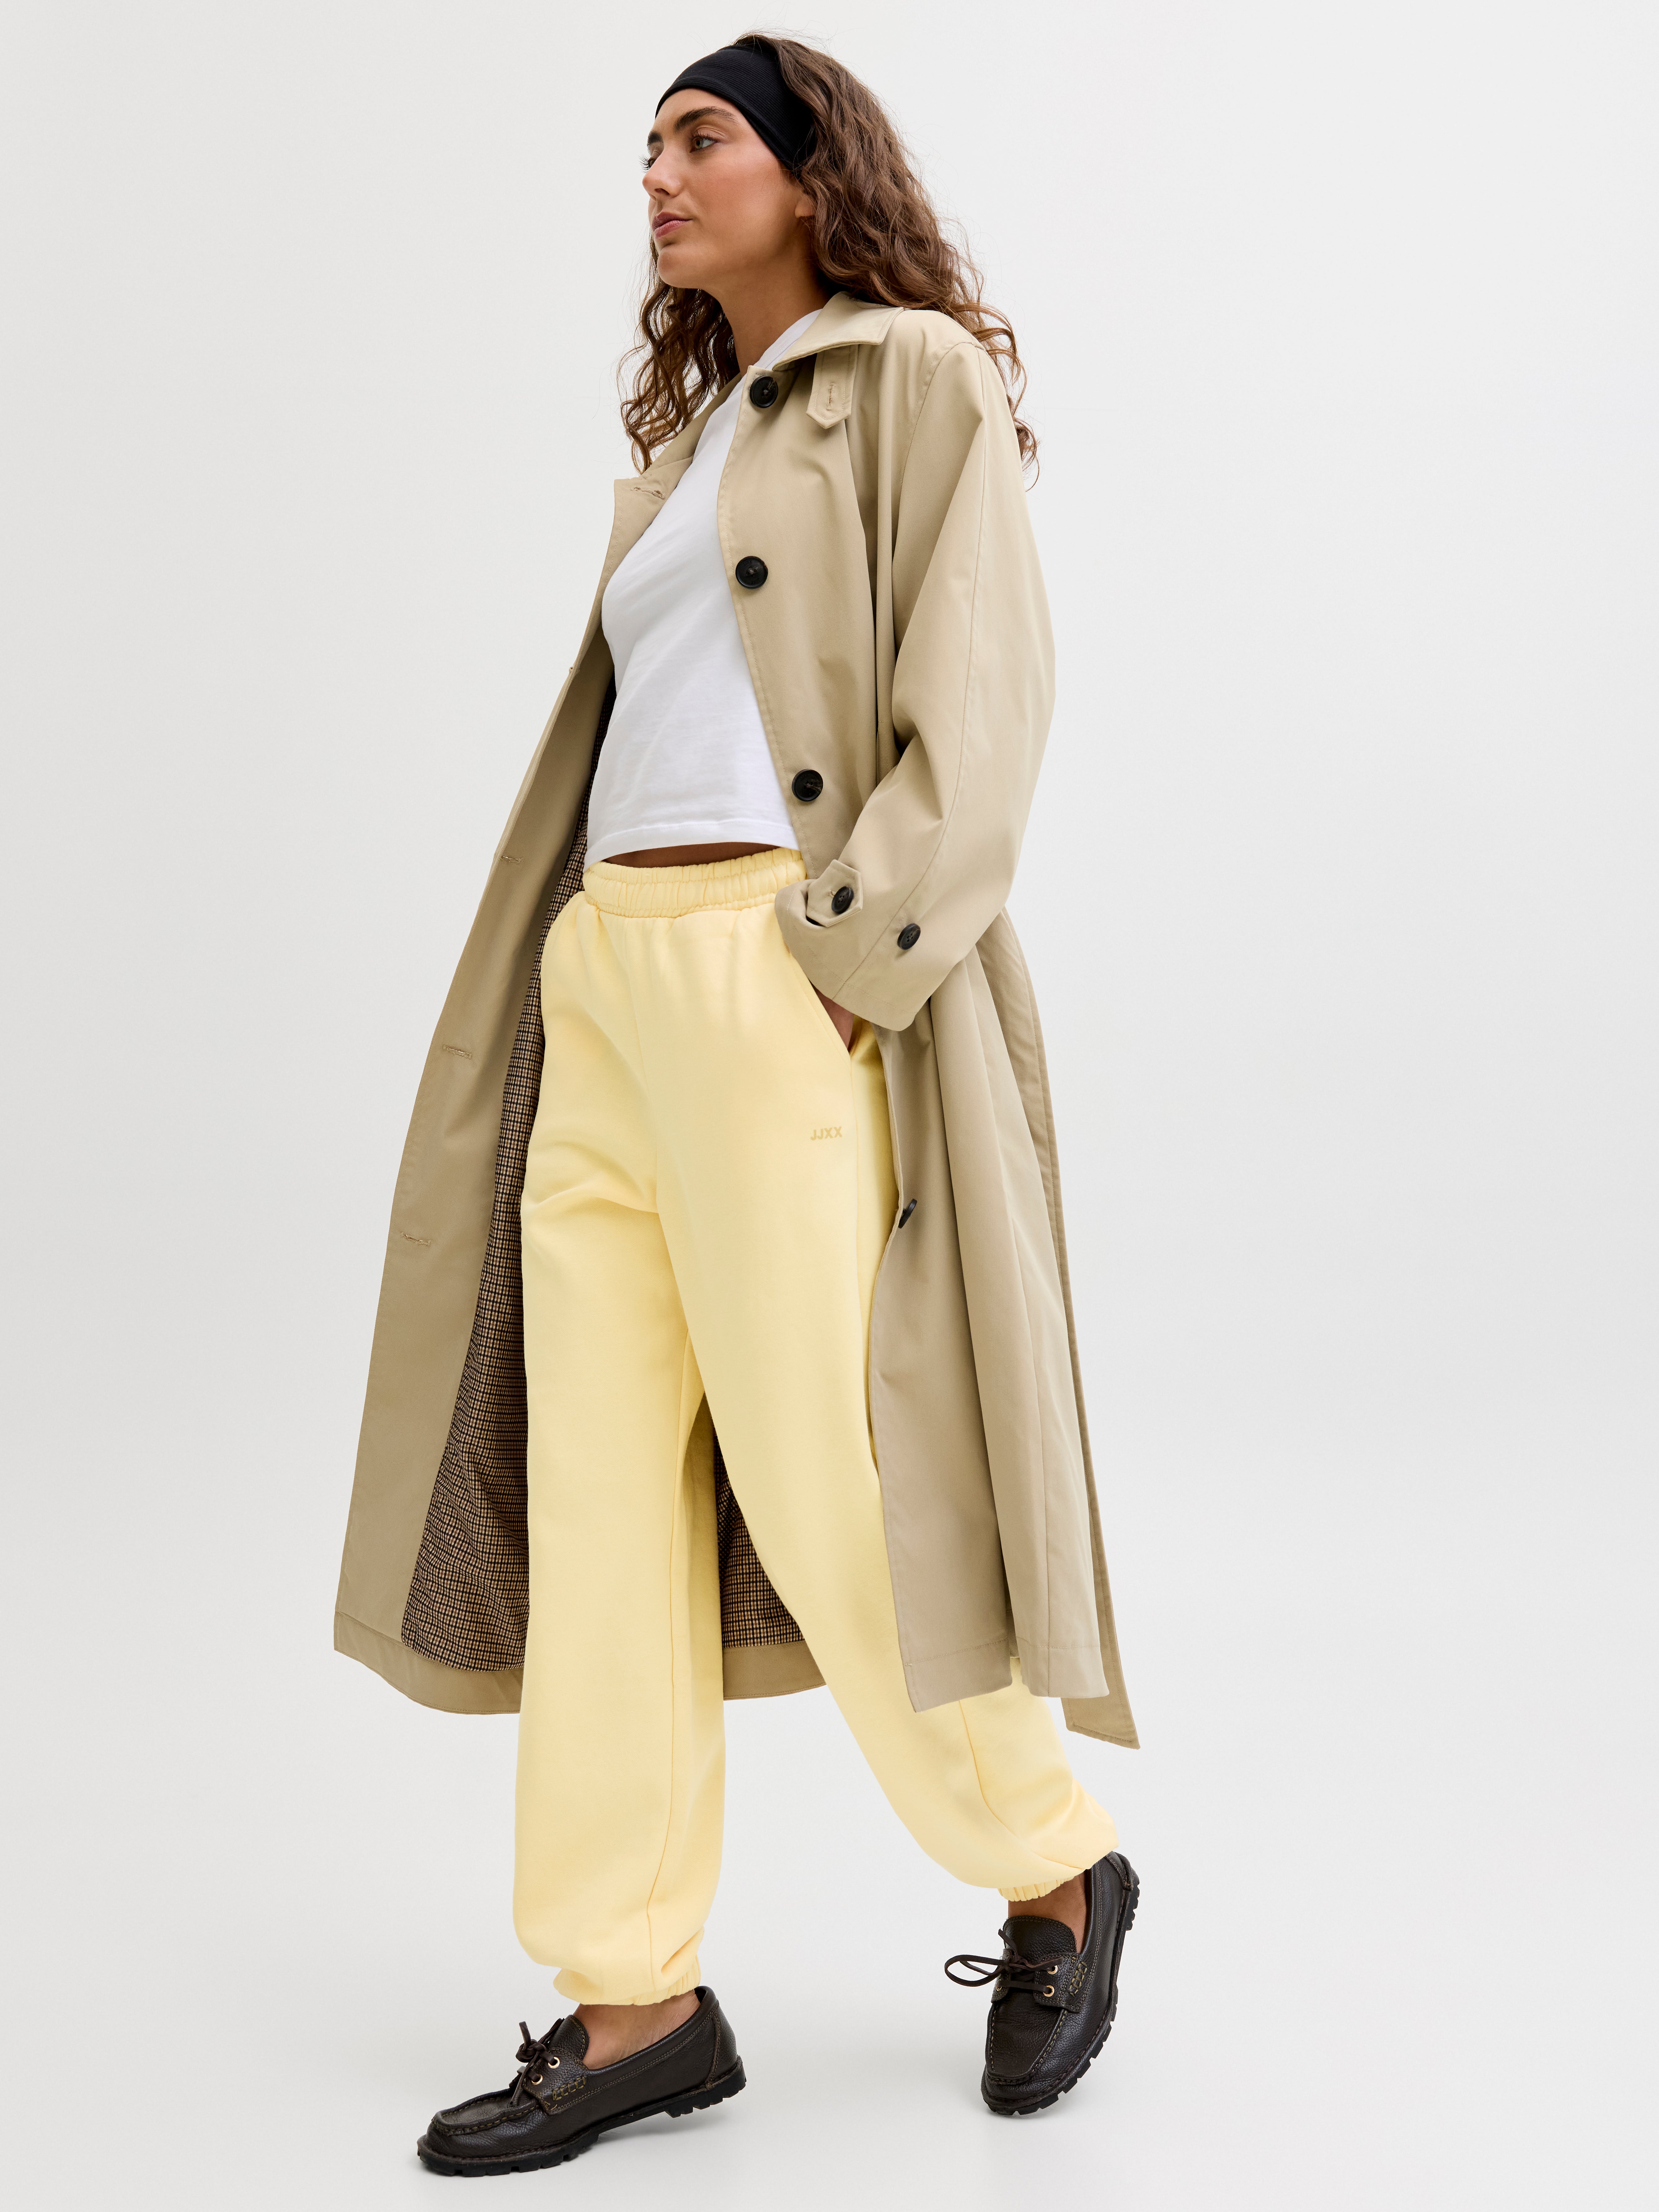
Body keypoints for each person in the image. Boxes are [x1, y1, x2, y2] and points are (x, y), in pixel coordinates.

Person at [334, 33, 1140, 2175]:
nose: (659, 178)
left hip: (775, 972)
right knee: (603, 1503)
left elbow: (985, 701)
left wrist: (846, 966)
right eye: (648, 148)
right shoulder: (697, 436)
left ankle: (1055, 1863)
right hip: (603, 979)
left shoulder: (910, 378)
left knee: (836, 1478)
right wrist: (592, 963)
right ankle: (635, 2000)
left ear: (810, 170)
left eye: (699, 140)